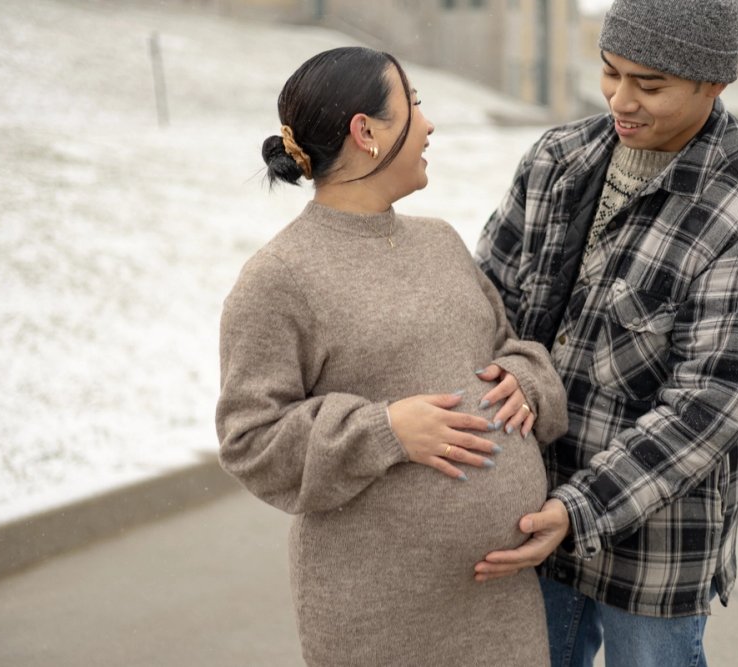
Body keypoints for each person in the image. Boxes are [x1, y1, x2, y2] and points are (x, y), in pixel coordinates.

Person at [473, 0, 738, 665]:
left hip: (658, 548)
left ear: (713, 83)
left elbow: (705, 410)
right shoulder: (555, 160)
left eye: (649, 85)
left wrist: (580, 507)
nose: (620, 100)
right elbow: (486, 305)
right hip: (524, 509)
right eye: (609, 72)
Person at [215, 46, 568, 666]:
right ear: (367, 130)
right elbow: (250, 439)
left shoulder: (440, 241)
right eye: (415, 105)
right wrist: (385, 431)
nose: (428, 125)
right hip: (382, 615)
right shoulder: (279, 277)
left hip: (502, 604)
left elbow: (510, 348)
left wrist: (525, 380)